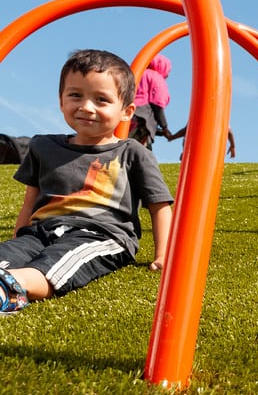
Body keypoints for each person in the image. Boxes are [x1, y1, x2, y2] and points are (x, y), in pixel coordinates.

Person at [0, 49, 173, 315]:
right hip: (41, 231)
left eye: (101, 100)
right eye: (75, 95)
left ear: (126, 111)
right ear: (61, 101)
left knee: (58, 262)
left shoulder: (133, 152)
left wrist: (163, 254)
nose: (86, 107)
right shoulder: (43, 146)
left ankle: (13, 287)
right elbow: (30, 201)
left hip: (101, 234)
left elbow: (158, 206)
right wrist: (18, 238)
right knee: (8, 255)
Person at [129, 54, 173, 149]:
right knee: (140, 153)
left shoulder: (137, 73)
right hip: (141, 119)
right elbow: (157, 103)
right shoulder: (156, 77)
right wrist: (164, 127)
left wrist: (159, 131)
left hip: (127, 116)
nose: (168, 75)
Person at [167, 124, 236, 159]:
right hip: (201, 147)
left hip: (203, 147)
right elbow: (229, 132)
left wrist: (172, 137)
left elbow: (229, 132)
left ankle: (186, 155)